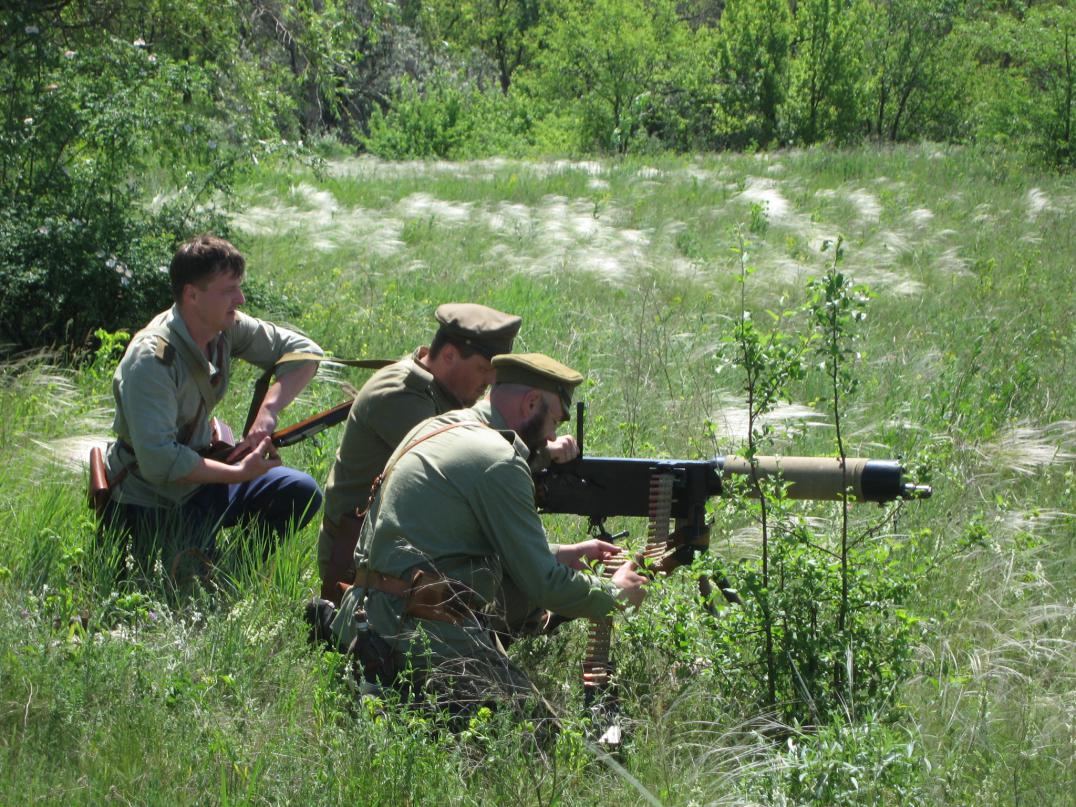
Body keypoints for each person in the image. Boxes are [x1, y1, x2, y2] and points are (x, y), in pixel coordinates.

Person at [329, 353, 648, 714]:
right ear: (531, 403)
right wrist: (615, 594)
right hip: (412, 633)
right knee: (537, 735)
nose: (552, 437)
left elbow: (448, 536)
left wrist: (562, 553)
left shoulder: (438, 427)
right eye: (554, 422)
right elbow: (545, 585)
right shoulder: (498, 461)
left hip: (363, 620)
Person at [101, 235, 324, 576]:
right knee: (186, 581)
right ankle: (210, 568)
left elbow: (305, 352)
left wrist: (268, 411)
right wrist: (238, 473)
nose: (241, 298)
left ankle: (236, 573)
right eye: (229, 290)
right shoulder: (151, 360)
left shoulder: (224, 328)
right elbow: (159, 461)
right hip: (153, 496)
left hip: (202, 479)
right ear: (192, 294)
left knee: (300, 492)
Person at [318, 303, 527, 603]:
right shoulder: (401, 394)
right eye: (483, 369)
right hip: (358, 568)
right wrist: (530, 452)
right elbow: (461, 469)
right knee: (508, 576)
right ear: (449, 355)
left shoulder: (440, 392)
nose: (490, 382)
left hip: (396, 550)